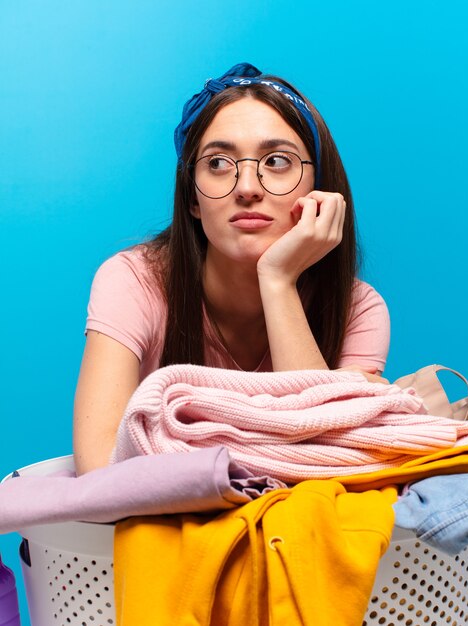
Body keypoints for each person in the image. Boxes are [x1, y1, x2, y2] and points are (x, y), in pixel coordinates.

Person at [73, 63, 391, 475]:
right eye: (219, 163)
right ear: (193, 199)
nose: (247, 187)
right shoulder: (133, 281)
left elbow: (325, 469)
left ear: (320, 190)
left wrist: (278, 281)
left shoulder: (359, 310)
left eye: (277, 161)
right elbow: (99, 467)